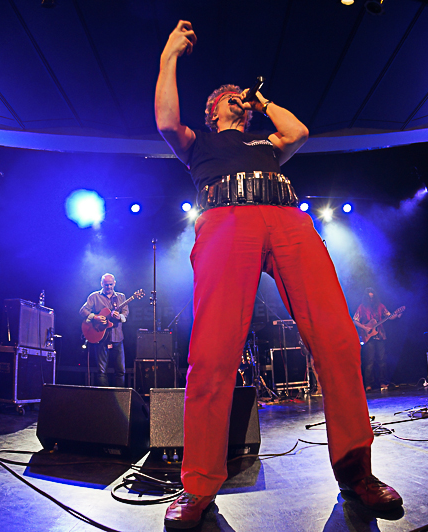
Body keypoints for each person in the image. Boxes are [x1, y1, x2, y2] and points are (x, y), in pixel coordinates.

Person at [155, 20, 402, 529]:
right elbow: (165, 121)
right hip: (226, 221)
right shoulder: (198, 143)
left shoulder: (266, 144)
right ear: (212, 110)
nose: (238, 101)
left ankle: (357, 474)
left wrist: (261, 101)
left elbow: (299, 133)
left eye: (240, 99)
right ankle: (198, 485)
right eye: (229, 98)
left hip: (287, 220)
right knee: (212, 355)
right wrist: (170, 55)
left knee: (338, 339)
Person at [79, 273, 128, 387]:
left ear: (114, 283)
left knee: (121, 371)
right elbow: (82, 311)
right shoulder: (94, 296)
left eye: (111, 284)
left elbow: (125, 313)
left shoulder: (121, 297)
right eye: (106, 285)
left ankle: (120, 396)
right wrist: (95, 317)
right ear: (101, 284)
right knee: (101, 372)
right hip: (100, 337)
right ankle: (104, 396)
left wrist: (119, 316)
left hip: (117, 337)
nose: (109, 287)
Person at [353, 287, 401, 391]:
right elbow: (355, 320)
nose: (371, 300)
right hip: (368, 337)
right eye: (369, 298)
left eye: (372, 298)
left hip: (380, 336)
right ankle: (368, 384)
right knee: (369, 361)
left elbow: (389, 316)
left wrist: (397, 315)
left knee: (382, 360)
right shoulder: (362, 307)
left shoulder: (380, 306)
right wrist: (365, 327)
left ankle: (382, 382)